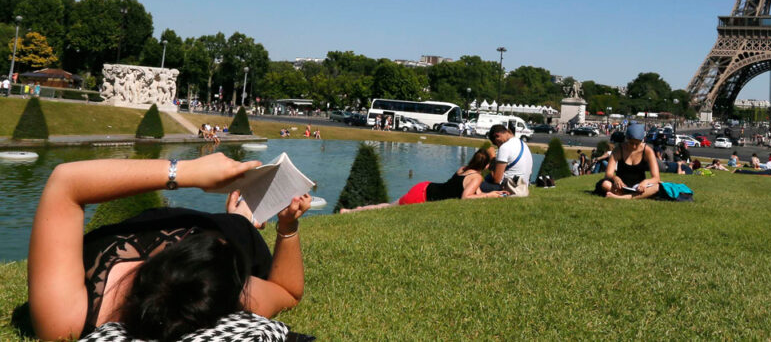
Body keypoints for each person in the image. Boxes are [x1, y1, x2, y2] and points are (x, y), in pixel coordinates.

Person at [27, 153, 311, 341]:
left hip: (163, 232)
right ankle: (240, 219)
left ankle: (237, 219)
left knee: (230, 229)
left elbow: (65, 181)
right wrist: (287, 228)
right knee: (238, 225)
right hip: (230, 234)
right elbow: (287, 291)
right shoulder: (227, 291)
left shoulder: (65, 319)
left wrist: (187, 172)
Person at [341, 149, 504, 211]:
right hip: (423, 195)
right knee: (389, 207)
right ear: (487, 165)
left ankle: (357, 209)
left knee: (389, 205)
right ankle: (353, 211)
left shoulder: (463, 169)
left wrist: (494, 193)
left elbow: (477, 192)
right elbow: (466, 197)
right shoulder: (476, 177)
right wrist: (489, 196)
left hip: (425, 187)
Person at [595, 122, 660, 199]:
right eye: (631, 143)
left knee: (658, 186)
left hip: (639, 187)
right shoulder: (619, 150)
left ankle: (621, 196)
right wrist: (615, 178)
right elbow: (608, 174)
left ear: (642, 141)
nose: (634, 146)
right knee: (605, 184)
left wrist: (645, 182)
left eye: (637, 143)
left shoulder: (647, 151)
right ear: (627, 139)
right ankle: (630, 196)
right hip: (620, 186)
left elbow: (656, 178)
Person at [482, 124, 532, 197]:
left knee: (474, 184)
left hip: (509, 188)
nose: (498, 146)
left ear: (497, 135)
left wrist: (492, 157)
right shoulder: (522, 143)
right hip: (523, 187)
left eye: (496, 143)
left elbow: (496, 180)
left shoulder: (504, 148)